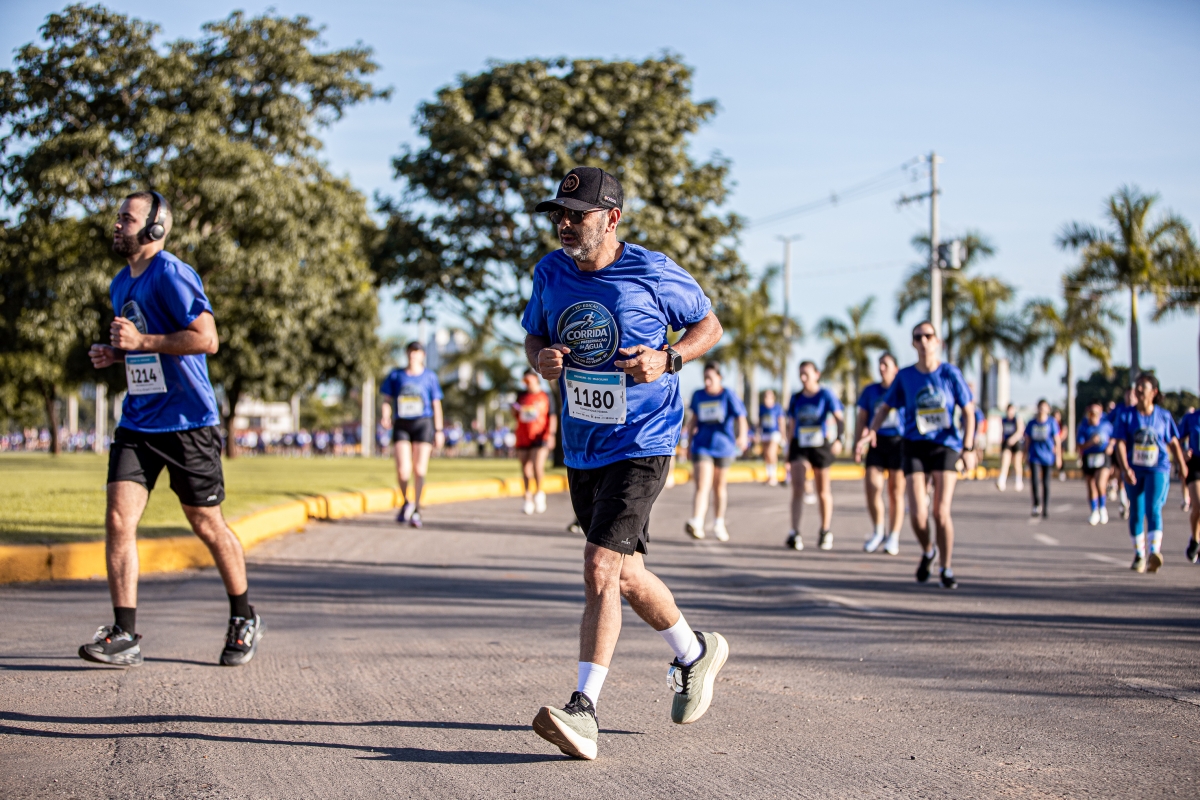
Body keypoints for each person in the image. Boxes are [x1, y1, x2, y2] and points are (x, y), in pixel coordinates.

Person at [522, 166, 728, 760]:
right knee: (627, 574)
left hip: (644, 438)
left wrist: (669, 358)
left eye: (576, 214)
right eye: (559, 214)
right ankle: (694, 652)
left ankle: (583, 710)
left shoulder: (652, 270)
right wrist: (542, 360)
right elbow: (535, 336)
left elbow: (709, 325)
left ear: (611, 218)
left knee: (599, 566)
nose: (564, 224)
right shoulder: (549, 272)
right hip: (583, 444)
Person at [81, 190, 263, 668]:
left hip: (188, 423)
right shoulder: (120, 283)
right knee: (119, 519)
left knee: (207, 524)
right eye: (118, 217)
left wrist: (141, 340)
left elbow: (207, 339)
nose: (117, 224)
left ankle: (243, 616)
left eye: (127, 218)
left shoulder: (172, 273)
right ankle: (124, 632)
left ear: (155, 228)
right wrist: (116, 354)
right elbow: (142, 349)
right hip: (139, 421)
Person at [860, 321, 975, 589]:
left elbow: (969, 412)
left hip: (945, 444)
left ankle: (946, 567)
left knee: (941, 512)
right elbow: (884, 408)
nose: (923, 341)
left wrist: (968, 448)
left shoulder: (950, 374)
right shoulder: (906, 376)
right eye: (918, 337)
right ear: (913, 343)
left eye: (928, 336)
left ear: (937, 342)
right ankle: (928, 551)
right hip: (914, 445)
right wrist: (871, 431)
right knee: (918, 515)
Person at [1112, 373, 1187, 573]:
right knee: (1136, 511)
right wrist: (1125, 468)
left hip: (1158, 468)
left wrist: (1181, 465)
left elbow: (1173, 442)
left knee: (1153, 508)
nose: (1138, 390)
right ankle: (1139, 555)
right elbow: (1120, 443)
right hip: (1134, 470)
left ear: (1153, 392)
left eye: (1143, 387)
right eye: (1137, 386)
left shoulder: (1163, 416)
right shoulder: (1126, 415)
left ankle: (1154, 553)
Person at [380, 342, 444, 529]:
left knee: (419, 469)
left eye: (417, 352)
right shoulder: (396, 375)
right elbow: (386, 399)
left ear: (423, 355)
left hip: (423, 423)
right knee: (403, 470)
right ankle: (405, 501)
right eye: (410, 352)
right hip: (402, 423)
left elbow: (436, 404)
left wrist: (439, 430)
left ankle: (416, 509)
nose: (413, 355)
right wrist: (385, 415)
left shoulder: (430, 376)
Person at [784, 361, 845, 551]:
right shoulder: (796, 398)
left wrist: (839, 439)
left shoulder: (825, 395)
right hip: (800, 444)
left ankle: (825, 531)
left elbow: (839, 418)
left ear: (817, 374)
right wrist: (788, 450)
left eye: (807, 374)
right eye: (801, 374)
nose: (803, 378)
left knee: (823, 490)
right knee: (797, 488)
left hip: (819, 445)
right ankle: (795, 532)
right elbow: (791, 424)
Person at [685, 363, 749, 542]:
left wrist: (742, 436)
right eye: (705, 378)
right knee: (702, 485)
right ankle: (697, 521)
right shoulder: (698, 395)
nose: (707, 382)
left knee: (719, 487)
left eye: (710, 378)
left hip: (723, 446)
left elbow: (741, 416)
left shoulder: (728, 395)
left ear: (719, 378)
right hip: (702, 446)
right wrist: (689, 444)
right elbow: (693, 420)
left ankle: (719, 522)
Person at [854, 353, 905, 555]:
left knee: (895, 491)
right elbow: (862, 418)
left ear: (895, 369)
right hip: (876, 442)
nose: (881, 368)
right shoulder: (870, 391)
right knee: (872, 487)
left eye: (886, 364)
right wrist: (857, 443)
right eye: (880, 364)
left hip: (899, 442)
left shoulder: (902, 389)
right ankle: (878, 531)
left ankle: (894, 536)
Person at [513, 368, 557, 515]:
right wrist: (515, 409)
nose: (526, 383)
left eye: (528, 379)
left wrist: (551, 434)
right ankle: (527, 497)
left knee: (537, 465)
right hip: (523, 436)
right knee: (526, 469)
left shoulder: (546, 395)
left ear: (535, 379)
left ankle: (539, 492)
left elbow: (552, 416)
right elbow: (515, 414)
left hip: (540, 436)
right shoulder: (520, 396)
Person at [1077, 402, 1114, 526]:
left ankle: (1102, 508)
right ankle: (1094, 511)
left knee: (1100, 483)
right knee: (1091, 485)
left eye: (1096, 413)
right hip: (1089, 457)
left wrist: (1110, 446)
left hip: (1103, 456)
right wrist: (1091, 442)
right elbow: (1080, 444)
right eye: (1091, 413)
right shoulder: (1084, 426)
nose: (1093, 416)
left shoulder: (1106, 424)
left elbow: (1114, 437)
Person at [1024, 400, 1062, 518]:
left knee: (1046, 483)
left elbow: (1057, 440)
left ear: (1048, 409)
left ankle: (1045, 507)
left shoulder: (1051, 422)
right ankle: (1036, 505)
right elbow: (1027, 439)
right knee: (1035, 481)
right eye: (1040, 407)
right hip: (1034, 456)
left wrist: (1059, 457)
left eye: (1044, 407)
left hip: (1048, 457)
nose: (1042, 410)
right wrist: (1026, 454)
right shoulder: (1032, 423)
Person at [1179, 406, 1200, 562]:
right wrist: (1183, 453)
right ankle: (1195, 539)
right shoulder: (1191, 418)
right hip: (1196, 464)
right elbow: (1176, 440)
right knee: (1198, 506)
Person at [995, 404, 1024, 491]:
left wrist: (1013, 439)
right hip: (1007, 442)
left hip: (1017, 442)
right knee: (1005, 462)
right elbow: (1002, 431)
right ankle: (1002, 481)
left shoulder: (1017, 419)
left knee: (1017, 463)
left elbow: (1020, 431)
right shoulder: (1004, 420)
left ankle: (1018, 481)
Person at [759, 389, 784, 486]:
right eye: (765, 397)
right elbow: (760, 421)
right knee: (766, 454)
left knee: (771, 453)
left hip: (775, 433)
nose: (767, 399)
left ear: (773, 398)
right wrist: (758, 432)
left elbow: (781, 421)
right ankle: (769, 476)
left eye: (769, 397)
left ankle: (773, 476)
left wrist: (783, 434)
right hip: (765, 433)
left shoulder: (777, 408)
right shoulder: (762, 408)